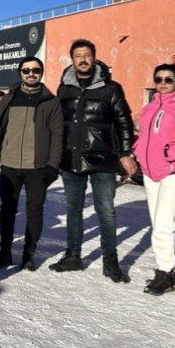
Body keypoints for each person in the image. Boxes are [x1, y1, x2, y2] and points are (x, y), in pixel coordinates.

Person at [50, 39, 137, 282]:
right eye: (78, 55)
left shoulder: (111, 88)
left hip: (102, 159)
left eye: (87, 55)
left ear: (94, 57)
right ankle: (73, 256)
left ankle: (111, 261)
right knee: (73, 210)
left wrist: (126, 153)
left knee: (106, 211)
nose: (83, 59)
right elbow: (57, 124)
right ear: (72, 59)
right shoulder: (64, 88)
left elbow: (123, 122)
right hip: (71, 158)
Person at [0, 57, 63, 270]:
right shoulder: (10, 98)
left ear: (41, 72)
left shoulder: (51, 101)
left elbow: (57, 135)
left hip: (37, 166)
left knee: (35, 211)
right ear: (20, 73)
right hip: (10, 164)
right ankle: (5, 252)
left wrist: (52, 166)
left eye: (35, 70)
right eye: (26, 70)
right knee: (7, 209)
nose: (31, 74)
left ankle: (29, 254)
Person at [133, 64, 175, 295]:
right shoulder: (149, 107)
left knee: (163, 226)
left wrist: (169, 153)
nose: (163, 83)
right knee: (162, 225)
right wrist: (138, 149)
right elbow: (145, 135)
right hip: (151, 174)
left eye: (168, 79)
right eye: (159, 79)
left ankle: (165, 272)